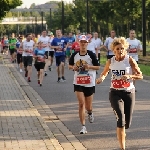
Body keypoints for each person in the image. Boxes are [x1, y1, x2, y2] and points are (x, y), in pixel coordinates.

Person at [96, 37, 143, 150]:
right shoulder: (110, 61)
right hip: (115, 93)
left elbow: (140, 75)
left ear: (125, 49)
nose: (120, 50)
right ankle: (122, 147)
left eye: (122, 48)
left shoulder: (129, 60)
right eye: (117, 49)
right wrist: (101, 78)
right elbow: (104, 73)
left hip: (128, 93)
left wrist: (130, 76)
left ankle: (122, 133)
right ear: (113, 50)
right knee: (120, 119)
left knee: (127, 123)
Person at [69, 35, 100, 134]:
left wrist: (89, 67)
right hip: (78, 81)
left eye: (84, 42)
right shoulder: (75, 55)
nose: (83, 44)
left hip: (89, 82)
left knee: (88, 106)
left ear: (87, 43)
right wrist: (73, 67)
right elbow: (69, 65)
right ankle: (83, 126)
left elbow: (98, 67)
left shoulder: (91, 54)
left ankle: (90, 113)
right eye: (81, 42)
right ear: (79, 43)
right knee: (81, 103)